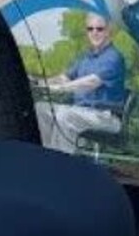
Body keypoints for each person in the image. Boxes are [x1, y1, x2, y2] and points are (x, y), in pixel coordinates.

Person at [34, 14, 128, 151]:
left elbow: (90, 82)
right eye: (90, 29)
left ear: (108, 31)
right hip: (82, 111)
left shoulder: (113, 57)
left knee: (66, 116)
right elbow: (65, 77)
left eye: (99, 29)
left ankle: (61, 165)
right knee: (41, 108)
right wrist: (40, 82)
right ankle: (47, 155)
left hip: (105, 116)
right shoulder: (86, 57)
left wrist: (60, 88)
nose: (94, 32)